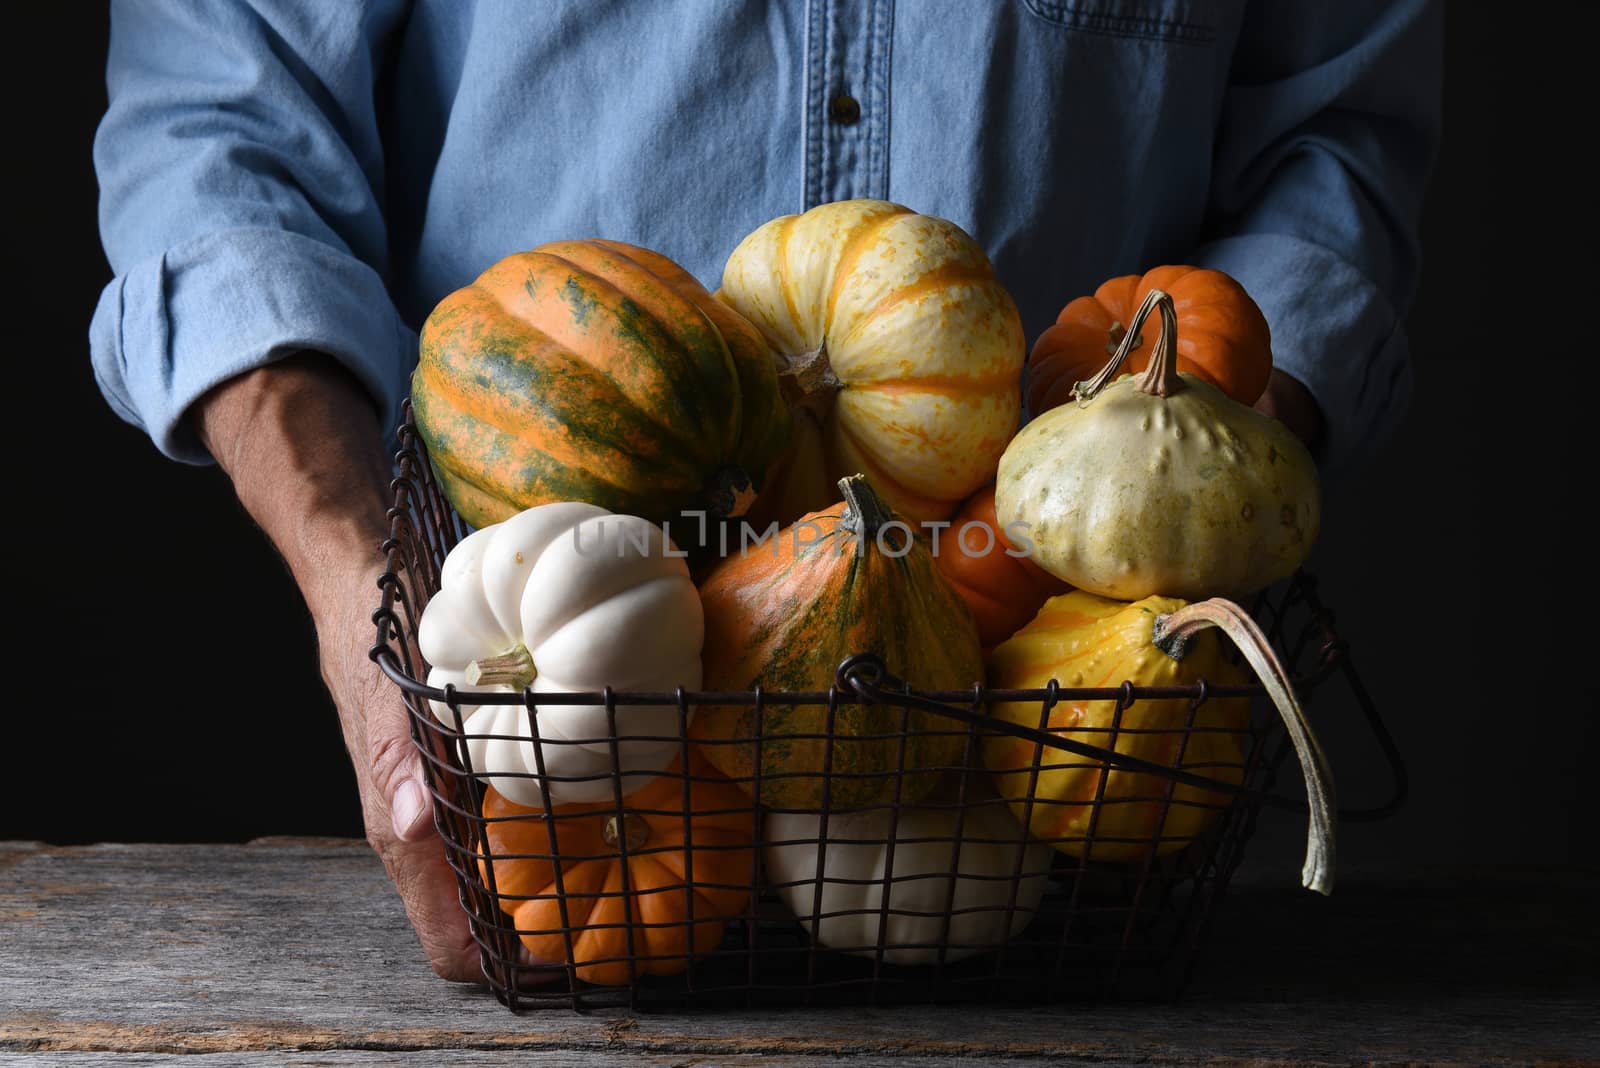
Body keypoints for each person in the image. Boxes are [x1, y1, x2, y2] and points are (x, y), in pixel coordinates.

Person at [90, 1, 1442, 982]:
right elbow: (219, 117)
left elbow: (1336, 144)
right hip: (539, 749)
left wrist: (1195, 485)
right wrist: (354, 581)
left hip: (1056, 783)